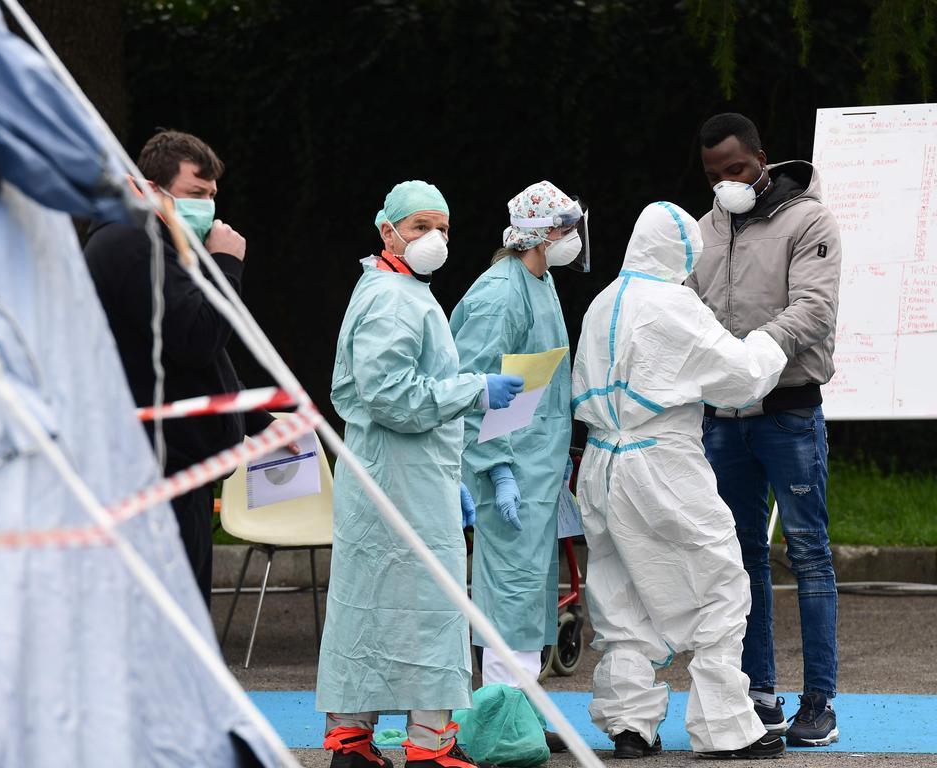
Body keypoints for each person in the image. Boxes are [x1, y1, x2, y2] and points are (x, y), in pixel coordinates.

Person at [316, 180, 524, 768]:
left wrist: (447, 468)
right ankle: (432, 747)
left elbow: (369, 393)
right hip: (402, 480)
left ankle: (351, 743)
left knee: (368, 607)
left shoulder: (393, 290)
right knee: (430, 609)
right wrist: (474, 389)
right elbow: (389, 394)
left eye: (444, 229)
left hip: (394, 477)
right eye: (420, 227)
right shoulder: (394, 299)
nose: (435, 240)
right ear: (388, 231)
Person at [572, 201, 788, 759]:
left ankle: (628, 727)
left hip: (599, 461)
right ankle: (725, 728)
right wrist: (770, 344)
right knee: (719, 582)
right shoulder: (673, 304)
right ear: (682, 252)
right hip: (660, 459)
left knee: (619, 595)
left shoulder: (601, 304)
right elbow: (738, 380)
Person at [688, 112, 842, 747]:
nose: (726, 183)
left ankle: (819, 701)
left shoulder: (809, 220)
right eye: (713, 175)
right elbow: (689, 308)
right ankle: (759, 692)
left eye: (736, 170)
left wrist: (753, 353)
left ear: (761, 158)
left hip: (789, 411)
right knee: (740, 556)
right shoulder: (703, 229)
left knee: (807, 553)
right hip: (724, 419)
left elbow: (814, 307)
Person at [85, 129, 260, 608]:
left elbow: (192, 356)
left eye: (212, 196)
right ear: (149, 188)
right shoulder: (133, 242)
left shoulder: (155, 241)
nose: (208, 208)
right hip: (157, 468)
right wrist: (225, 266)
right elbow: (196, 338)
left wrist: (256, 416)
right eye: (195, 195)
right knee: (175, 621)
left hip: (177, 463)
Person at [449, 181, 577, 751]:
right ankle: (500, 725)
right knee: (510, 593)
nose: (573, 238)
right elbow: (470, 389)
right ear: (542, 233)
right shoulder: (500, 295)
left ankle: (518, 714)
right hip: (509, 467)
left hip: (535, 466)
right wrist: (496, 468)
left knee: (529, 593)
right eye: (566, 227)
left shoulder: (537, 282)